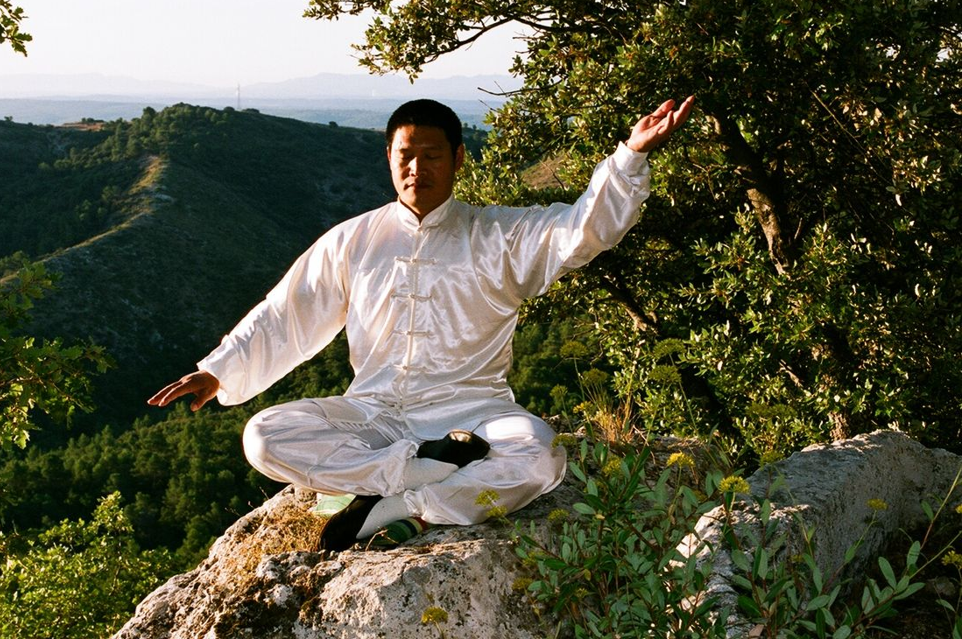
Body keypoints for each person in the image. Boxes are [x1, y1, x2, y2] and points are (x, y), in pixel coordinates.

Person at [148, 96, 694, 551]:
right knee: (263, 437)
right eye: (406, 155)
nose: (417, 169)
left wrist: (629, 159)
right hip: (375, 414)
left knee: (539, 455)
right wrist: (219, 371)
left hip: (474, 416)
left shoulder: (499, 234)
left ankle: (404, 505)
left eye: (432, 156)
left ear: (458, 159)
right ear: (388, 157)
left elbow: (582, 230)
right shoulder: (353, 239)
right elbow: (287, 311)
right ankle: (417, 472)